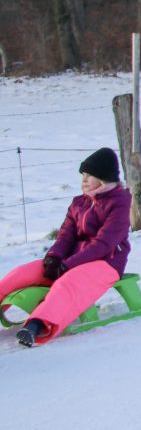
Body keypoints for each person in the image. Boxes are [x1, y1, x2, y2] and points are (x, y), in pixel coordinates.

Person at [0, 148, 131, 347]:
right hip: (70, 260)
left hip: (106, 263)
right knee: (21, 273)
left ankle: (36, 326)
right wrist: (54, 257)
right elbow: (66, 235)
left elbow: (103, 244)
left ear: (104, 178)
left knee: (67, 283)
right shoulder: (79, 203)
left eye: (90, 176)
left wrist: (68, 265)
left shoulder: (119, 203)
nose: (84, 180)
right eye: (83, 175)